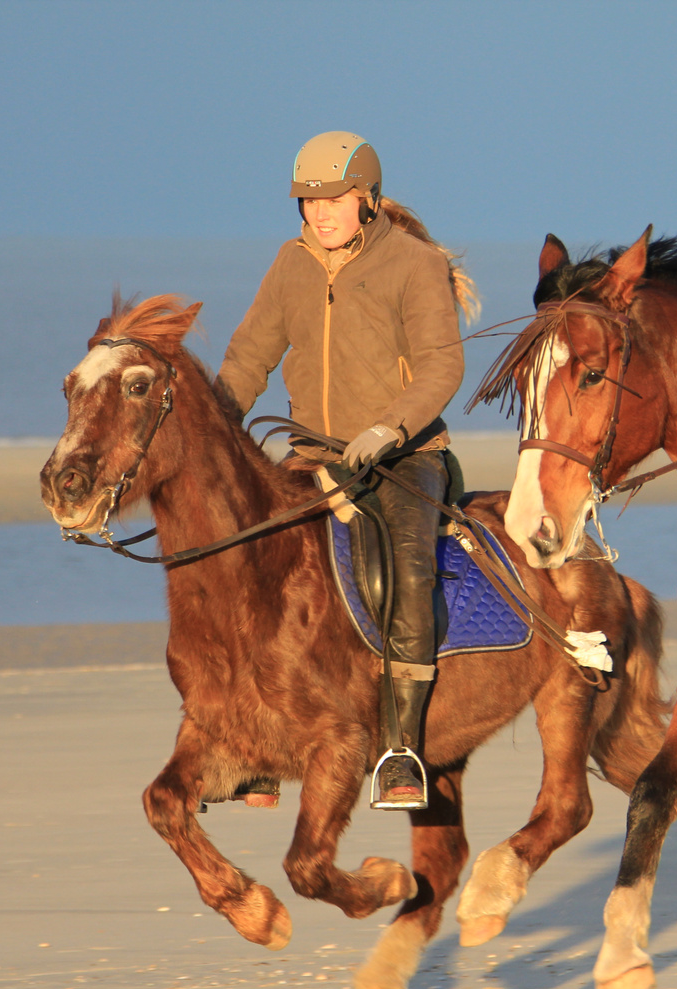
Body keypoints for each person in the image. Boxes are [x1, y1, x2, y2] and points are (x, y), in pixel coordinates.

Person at [216, 132, 476, 809]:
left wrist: (390, 428)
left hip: (405, 456)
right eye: (308, 202)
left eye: (334, 199)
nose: (319, 213)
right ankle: (261, 745)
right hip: (312, 457)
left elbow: (443, 365)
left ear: (368, 199)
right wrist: (216, 422)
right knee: (249, 568)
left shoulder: (413, 264)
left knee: (410, 571)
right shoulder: (291, 264)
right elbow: (249, 359)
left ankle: (401, 748)